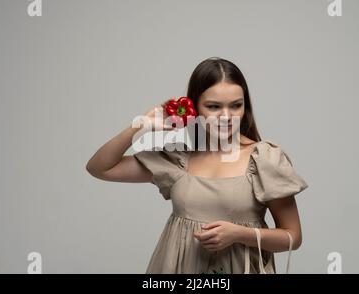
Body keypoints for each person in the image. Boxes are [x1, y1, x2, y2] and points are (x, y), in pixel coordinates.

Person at [86, 57, 308, 274]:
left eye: (236, 106)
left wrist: (239, 234)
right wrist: (139, 126)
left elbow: (292, 237)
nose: (226, 116)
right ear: (194, 108)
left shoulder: (264, 159)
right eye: (213, 106)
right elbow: (100, 168)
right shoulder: (177, 159)